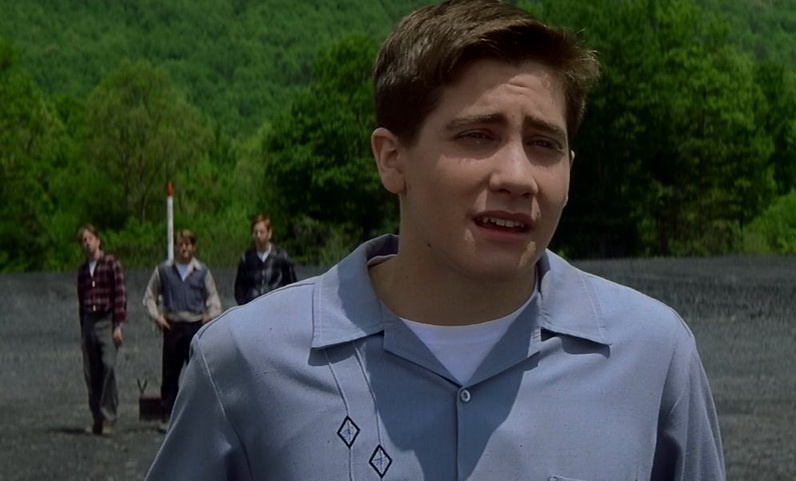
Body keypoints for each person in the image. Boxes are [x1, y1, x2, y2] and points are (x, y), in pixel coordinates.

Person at [146, 1, 725, 479]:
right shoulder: (245, 365)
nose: (518, 177)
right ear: (391, 159)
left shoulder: (653, 358)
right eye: (477, 135)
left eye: (544, 144)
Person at [142, 229, 221, 430]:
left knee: (199, 374)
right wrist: (156, 316)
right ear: (175, 246)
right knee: (170, 375)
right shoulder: (163, 270)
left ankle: (202, 418)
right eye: (180, 244)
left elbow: (213, 299)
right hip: (172, 325)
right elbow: (149, 296)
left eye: (188, 244)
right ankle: (168, 417)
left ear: (193, 247)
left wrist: (209, 317)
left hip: (195, 326)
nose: (184, 248)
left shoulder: (202, 271)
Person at [76, 224, 126, 436]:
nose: (87, 243)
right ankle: (97, 416)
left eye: (90, 239)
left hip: (107, 319)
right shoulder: (82, 271)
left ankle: (109, 416)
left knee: (108, 366)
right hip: (89, 320)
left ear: (98, 240)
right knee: (91, 371)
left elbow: (120, 295)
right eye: (83, 241)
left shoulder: (111, 263)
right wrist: (83, 329)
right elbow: (81, 301)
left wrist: (118, 325)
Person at [234, 214, 298, 305]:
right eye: (255, 232)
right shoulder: (246, 258)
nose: (258, 235)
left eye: (261, 232)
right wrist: (244, 306)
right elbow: (239, 288)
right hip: (253, 307)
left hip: (276, 306)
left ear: (269, 233)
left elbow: (292, 285)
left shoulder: (281, 256)